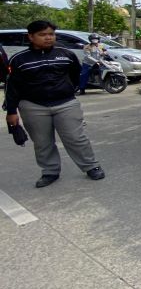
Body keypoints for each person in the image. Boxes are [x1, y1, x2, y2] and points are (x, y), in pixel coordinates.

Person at [3, 20, 105, 188]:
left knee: (76, 138)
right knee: (42, 142)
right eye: (42, 35)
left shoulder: (66, 55)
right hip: (33, 106)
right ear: (31, 37)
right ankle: (50, 171)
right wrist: (11, 111)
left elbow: (76, 75)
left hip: (66, 103)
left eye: (51, 34)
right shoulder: (19, 59)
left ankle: (91, 166)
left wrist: (67, 90)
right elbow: (13, 87)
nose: (48, 38)